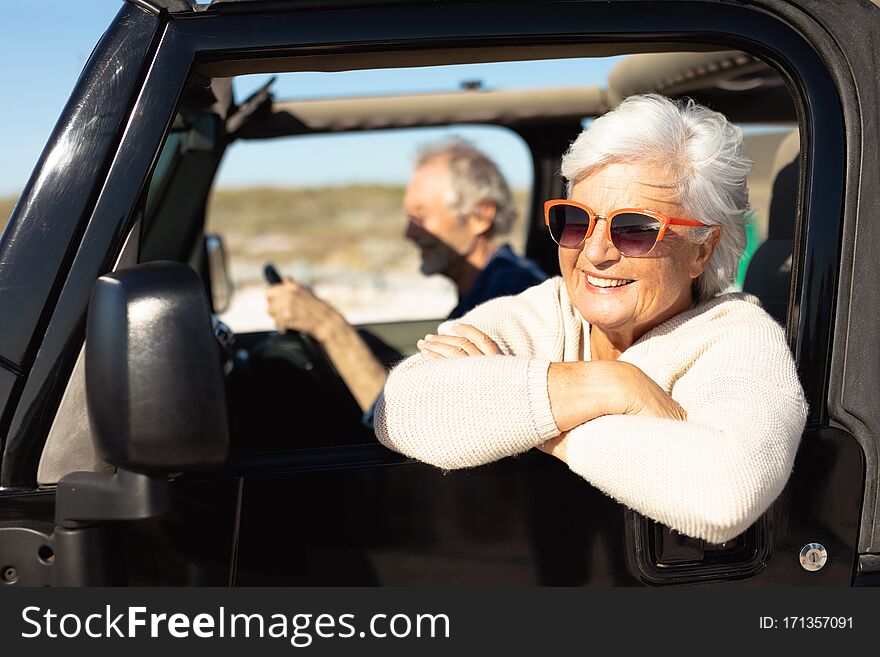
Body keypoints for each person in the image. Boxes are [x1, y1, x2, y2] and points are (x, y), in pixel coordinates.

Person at [374, 94, 808, 545]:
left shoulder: (736, 336)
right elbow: (402, 407)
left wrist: (533, 425)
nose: (595, 253)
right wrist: (614, 386)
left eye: (635, 228)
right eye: (575, 221)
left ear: (702, 249)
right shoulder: (552, 309)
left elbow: (724, 497)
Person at [265, 139, 547, 414]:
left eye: (421, 217)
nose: (409, 233)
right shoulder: (487, 288)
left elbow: (415, 424)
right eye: (409, 218)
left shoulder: (508, 298)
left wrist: (329, 327)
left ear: (480, 216)